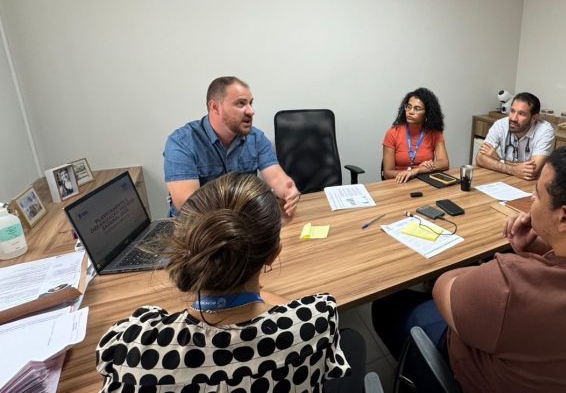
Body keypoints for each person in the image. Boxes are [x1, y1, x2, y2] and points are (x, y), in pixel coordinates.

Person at [373, 147, 566, 392]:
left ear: (564, 218)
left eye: (537, 195)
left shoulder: (510, 286)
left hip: (471, 371)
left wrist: (505, 261)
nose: (529, 202)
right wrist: (539, 248)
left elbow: (444, 285)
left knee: (387, 305)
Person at [96, 173, 364, 392]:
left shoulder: (131, 348)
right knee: (355, 341)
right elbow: (288, 312)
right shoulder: (315, 321)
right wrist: (256, 294)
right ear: (273, 254)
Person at [163, 76, 300, 217]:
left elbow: (277, 179)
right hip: (197, 231)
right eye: (241, 104)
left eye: (250, 103)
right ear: (215, 107)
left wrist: (288, 193)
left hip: (241, 224)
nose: (251, 111)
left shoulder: (256, 138)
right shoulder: (182, 143)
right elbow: (189, 208)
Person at [476, 92, 555, 180]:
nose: (513, 118)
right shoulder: (500, 124)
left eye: (521, 114)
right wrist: (514, 170)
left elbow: (532, 171)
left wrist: (499, 160)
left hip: (530, 184)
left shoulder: (545, 131)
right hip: (505, 179)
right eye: (512, 111)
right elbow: (480, 158)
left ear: (534, 118)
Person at [382, 87, 450, 183]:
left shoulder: (434, 133)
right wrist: (408, 173)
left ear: (427, 113)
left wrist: (417, 170)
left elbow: (444, 163)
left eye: (417, 108)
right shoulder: (393, 133)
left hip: (424, 182)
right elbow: (387, 173)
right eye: (408, 106)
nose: (410, 112)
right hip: (398, 183)